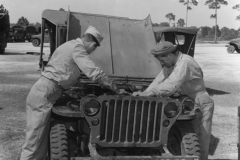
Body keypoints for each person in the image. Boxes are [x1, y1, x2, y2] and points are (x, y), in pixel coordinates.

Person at [20, 26, 122, 160]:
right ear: (91, 43)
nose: (92, 51)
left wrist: (70, 92)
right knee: (34, 140)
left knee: (40, 140)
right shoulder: (78, 48)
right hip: (44, 92)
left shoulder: (69, 45)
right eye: (94, 47)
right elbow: (93, 72)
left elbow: (59, 71)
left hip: (46, 90)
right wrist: (116, 89)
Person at [133, 41, 214, 160]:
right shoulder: (170, 65)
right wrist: (144, 94)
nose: (161, 63)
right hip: (187, 102)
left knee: (200, 141)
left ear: (170, 55)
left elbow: (172, 84)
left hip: (200, 102)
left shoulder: (185, 62)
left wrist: (151, 93)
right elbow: (159, 81)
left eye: (162, 60)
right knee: (186, 139)